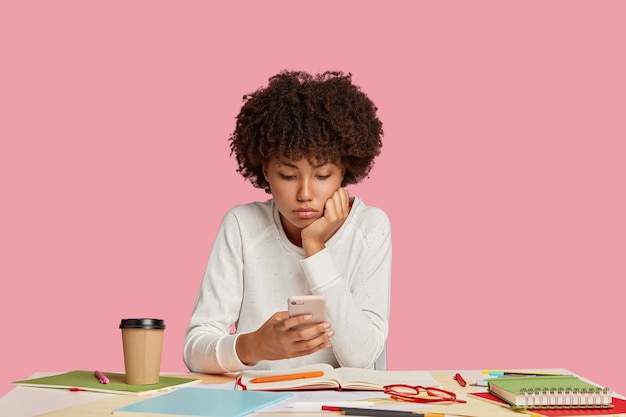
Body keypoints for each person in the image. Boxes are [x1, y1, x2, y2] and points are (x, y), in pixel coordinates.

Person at [183, 70, 391, 374]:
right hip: (255, 403)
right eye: (288, 175)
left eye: (322, 176)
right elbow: (194, 349)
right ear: (265, 169)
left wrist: (315, 248)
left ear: (344, 172)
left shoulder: (370, 228)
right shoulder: (243, 225)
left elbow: (361, 358)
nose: (305, 193)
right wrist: (253, 346)